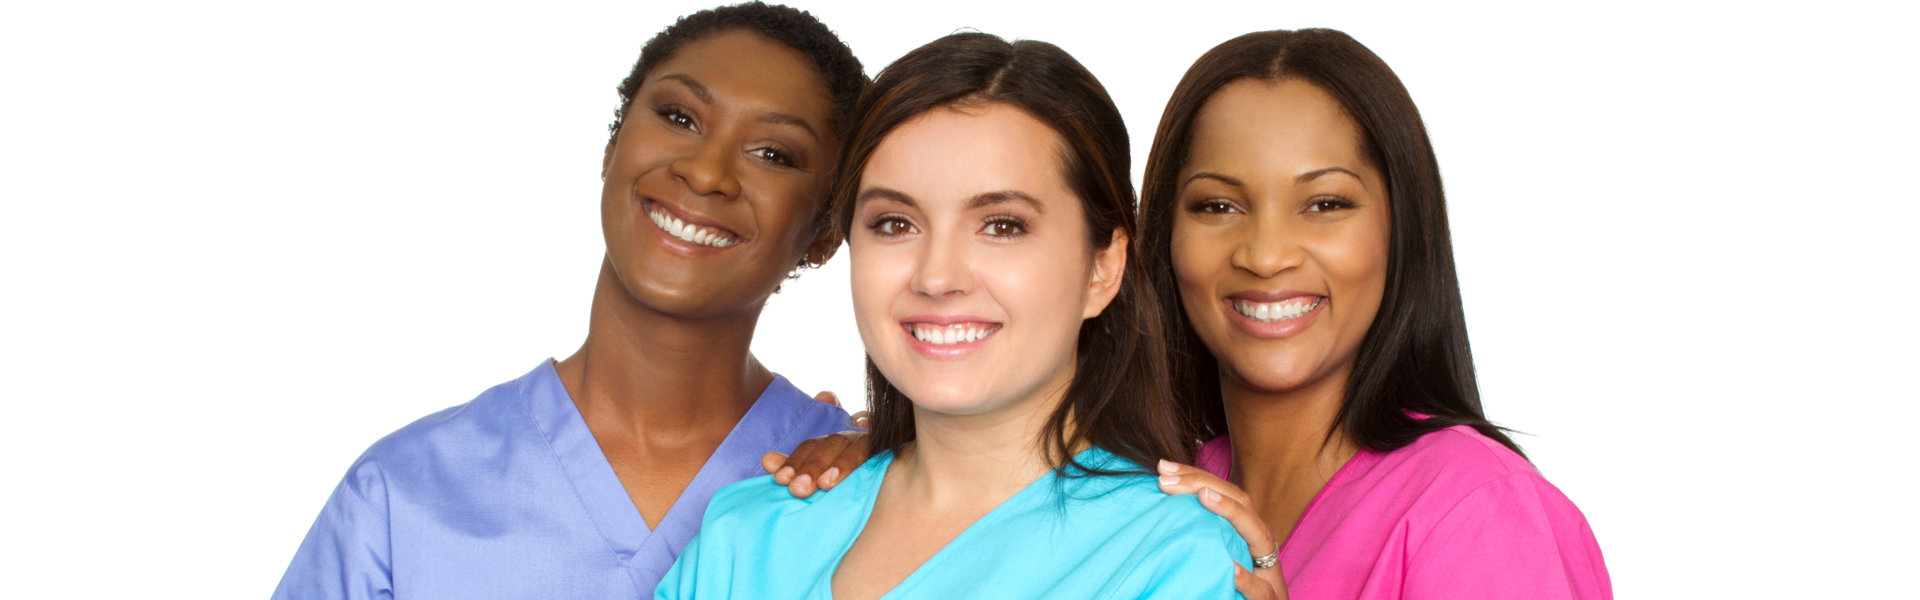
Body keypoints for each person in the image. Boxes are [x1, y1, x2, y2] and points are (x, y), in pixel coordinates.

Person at [271, 4, 870, 597]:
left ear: (823, 232)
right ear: (614, 144)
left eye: (774, 154)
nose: (707, 171)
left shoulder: (865, 482)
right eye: (679, 116)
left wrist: (926, 465)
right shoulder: (402, 494)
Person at [656, 32, 1248, 599]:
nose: (937, 277)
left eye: (1002, 226)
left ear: (1103, 268)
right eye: (895, 223)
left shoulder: (1175, 556)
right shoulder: (746, 535)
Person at [1140, 29, 1612, 599]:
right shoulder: (1152, 503)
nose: (1265, 256)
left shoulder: (1476, 509)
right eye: (1217, 205)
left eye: (1325, 204)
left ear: (1400, 228)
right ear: (1164, 235)